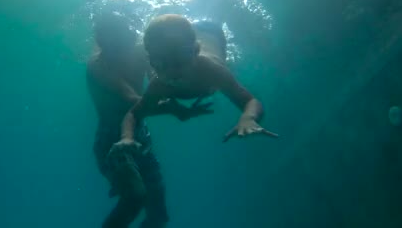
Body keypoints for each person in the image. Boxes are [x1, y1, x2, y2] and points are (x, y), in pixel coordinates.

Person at [86, 12, 212, 228]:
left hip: (141, 135)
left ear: (127, 33)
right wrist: (174, 108)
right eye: (104, 39)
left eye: (115, 37)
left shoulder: (140, 53)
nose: (111, 45)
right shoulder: (97, 66)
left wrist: (192, 87)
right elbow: (133, 100)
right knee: (135, 197)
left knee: (159, 216)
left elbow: (161, 82)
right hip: (112, 141)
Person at [113, 14, 277, 154]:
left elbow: (250, 100)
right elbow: (134, 114)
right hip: (184, 36)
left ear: (196, 52)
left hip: (212, 32)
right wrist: (126, 138)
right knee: (173, 42)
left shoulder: (212, 71)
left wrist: (248, 118)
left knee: (226, 66)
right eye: (160, 63)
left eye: (180, 60)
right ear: (151, 62)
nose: (172, 71)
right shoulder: (159, 84)